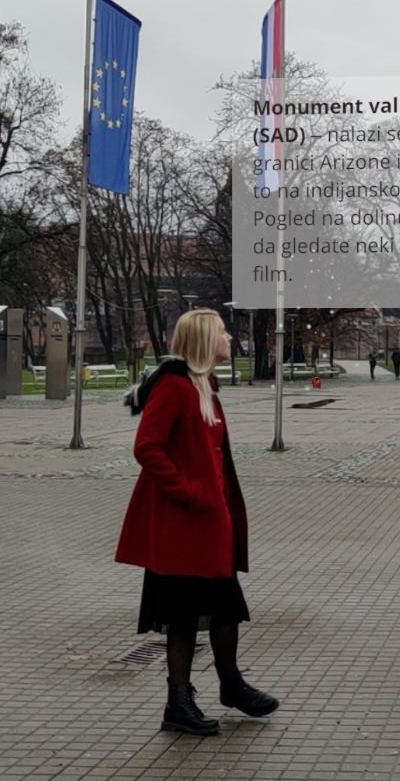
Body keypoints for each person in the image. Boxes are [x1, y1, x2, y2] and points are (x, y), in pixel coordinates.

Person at [118, 309, 278, 736]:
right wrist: (190, 493)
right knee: (184, 616)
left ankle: (230, 685)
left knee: (225, 609)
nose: (229, 338)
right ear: (207, 342)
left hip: (208, 526)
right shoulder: (174, 388)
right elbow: (147, 447)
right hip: (183, 527)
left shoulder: (203, 386)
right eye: (223, 333)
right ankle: (180, 702)